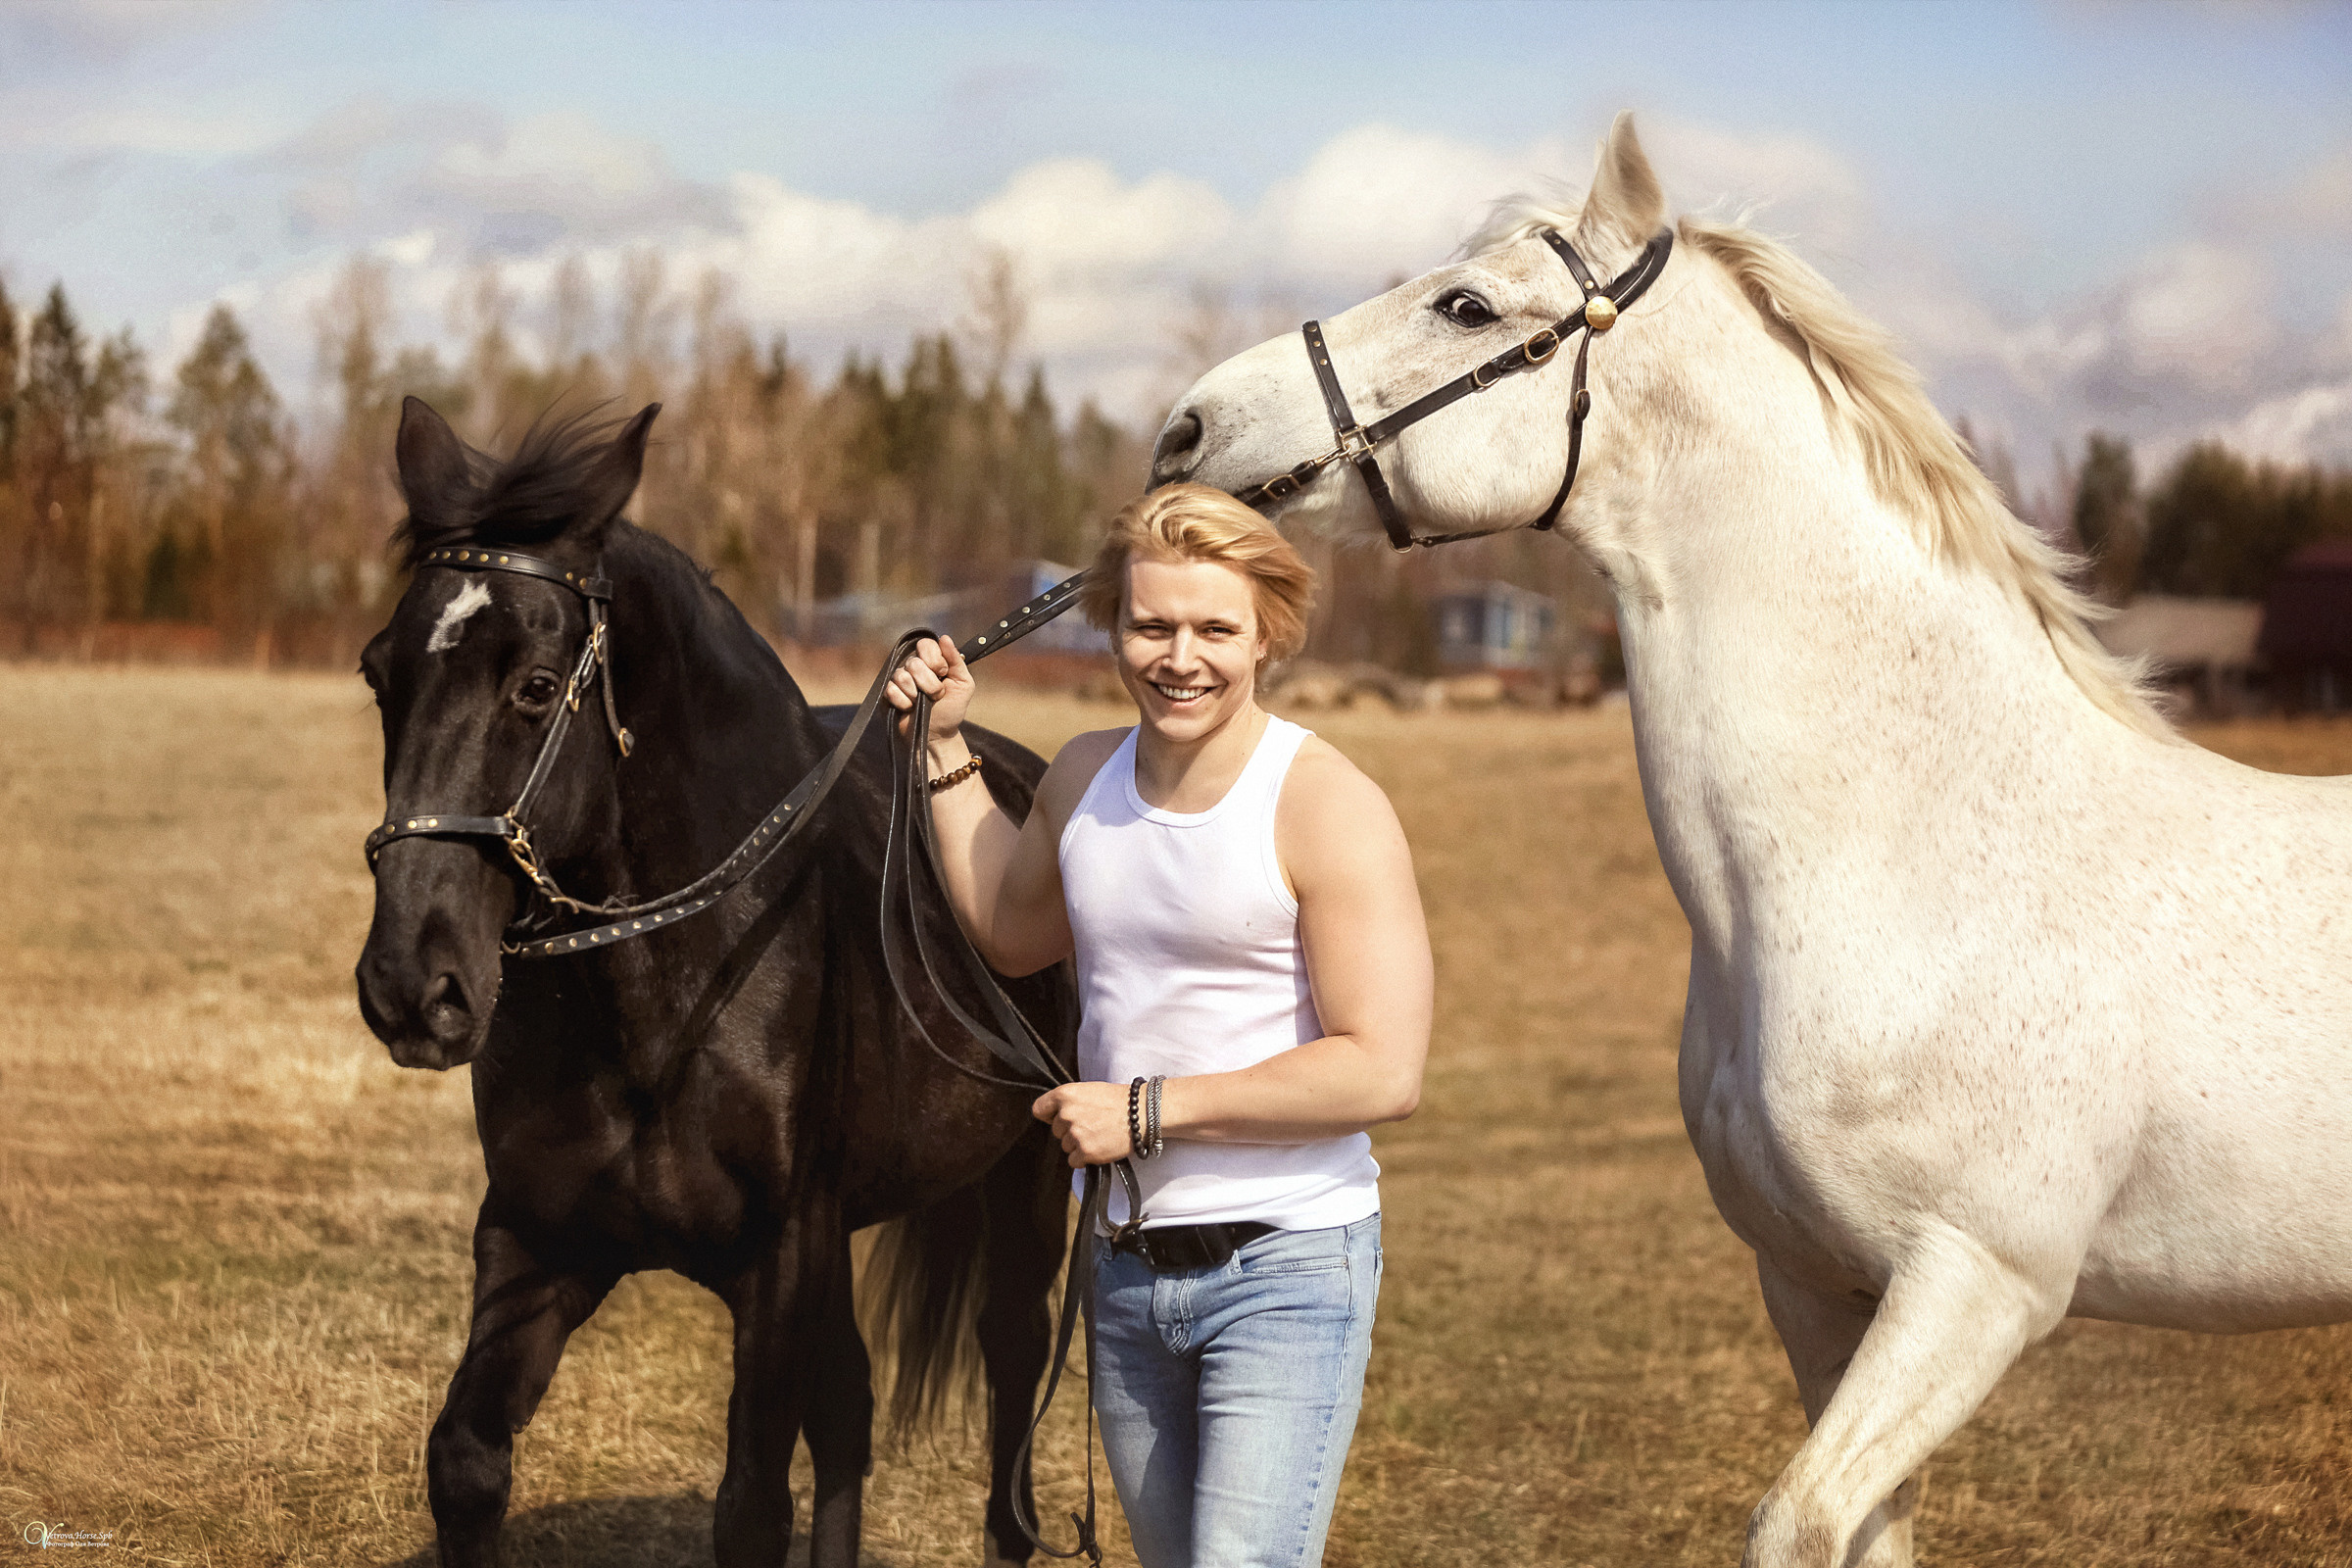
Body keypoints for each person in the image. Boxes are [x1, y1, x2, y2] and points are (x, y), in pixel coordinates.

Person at [885, 482, 1433, 1568]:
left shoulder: (1326, 802)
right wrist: (943, 750)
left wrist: (1148, 1110)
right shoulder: (1086, 776)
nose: (1180, 656)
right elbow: (1010, 925)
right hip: (1125, 1272)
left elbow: (1384, 1069)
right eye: (1152, 624)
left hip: (1287, 1268)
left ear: (1268, 634)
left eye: (1215, 628)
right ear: (1115, 624)